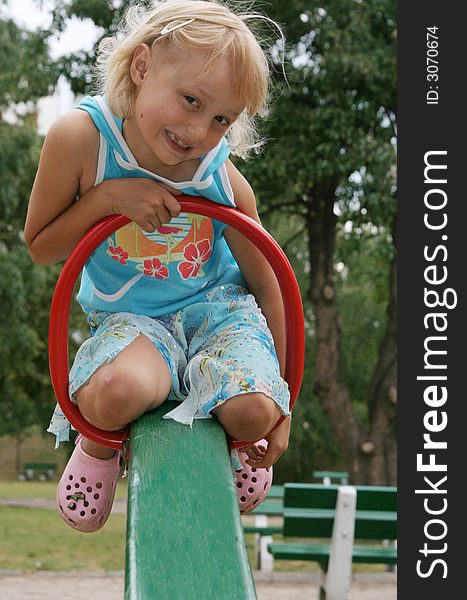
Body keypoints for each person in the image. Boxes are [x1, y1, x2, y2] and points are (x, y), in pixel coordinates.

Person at [24, 0, 291, 533]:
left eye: (221, 119)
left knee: (255, 411)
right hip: (133, 323)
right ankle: (99, 446)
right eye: (191, 100)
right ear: (142, 67)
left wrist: (286, 402)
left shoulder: (221, 179)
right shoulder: (82, 140)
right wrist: (107, 198)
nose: (198, 131)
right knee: (118, 393)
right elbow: (41, 246)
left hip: (218, 316)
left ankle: (240, 441)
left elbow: (268, 280)